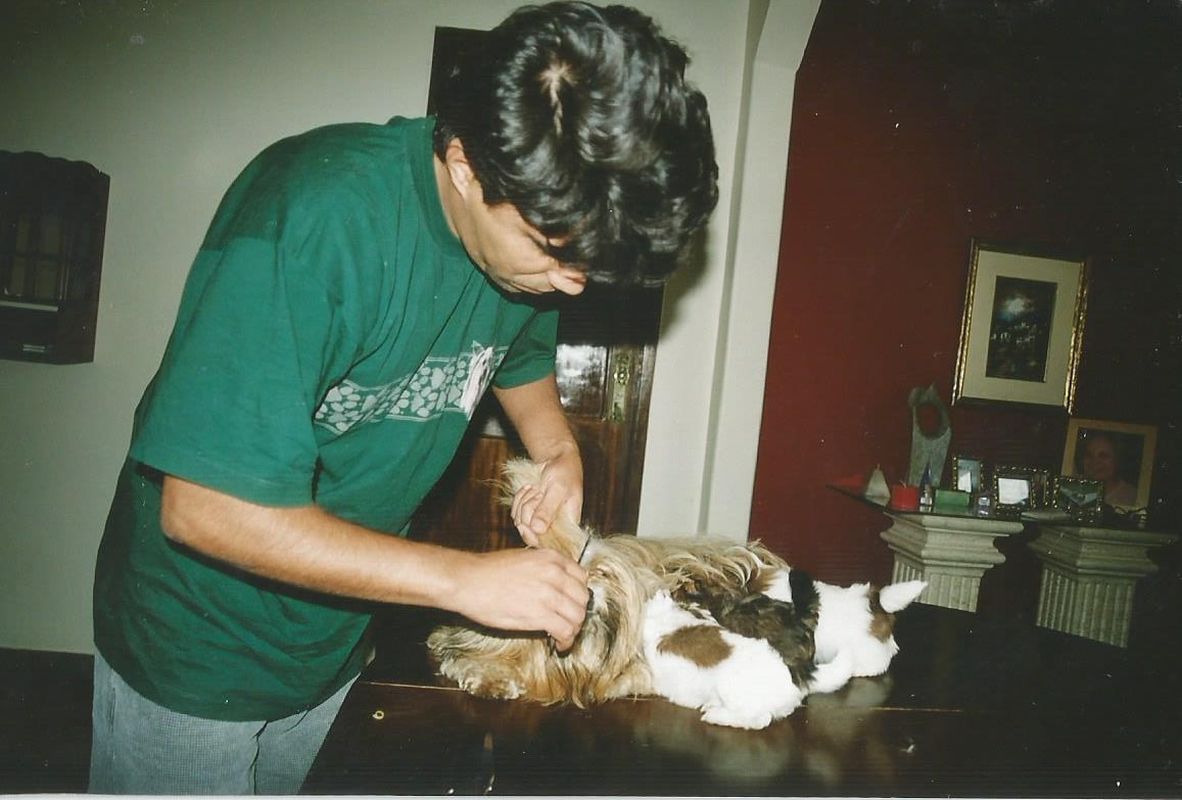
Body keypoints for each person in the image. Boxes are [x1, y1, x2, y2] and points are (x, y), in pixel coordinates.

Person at [88, 2, 718, 793]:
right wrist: (462, 581)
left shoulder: (523, 251)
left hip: (336, 637)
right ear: (465, 167)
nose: (572, 285)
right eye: (556, 254)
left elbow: (519, 353)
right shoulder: (312, 219)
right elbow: (204, 508)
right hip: (192, 649)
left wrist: (557, 450)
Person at [1077, 430, 1138, 507]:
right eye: (1089, 455)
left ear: (1117, 460)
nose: (1094, 462)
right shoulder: (1070, 488)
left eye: (1103, 456)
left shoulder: (1133, 496)